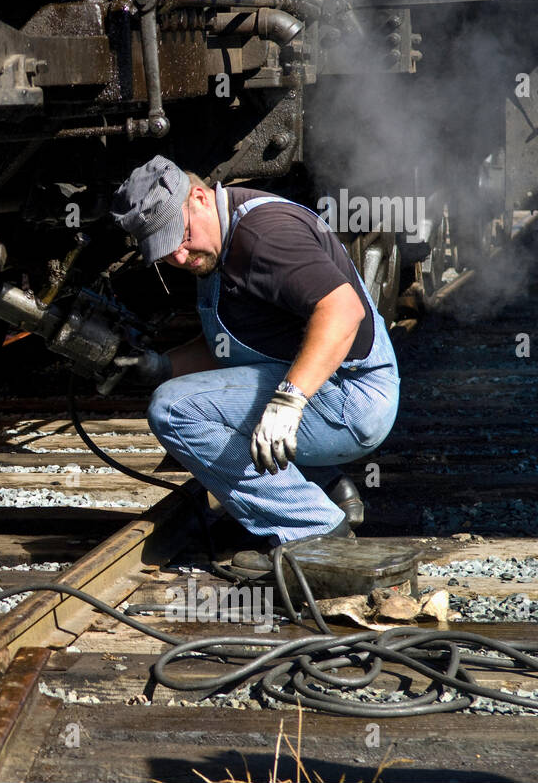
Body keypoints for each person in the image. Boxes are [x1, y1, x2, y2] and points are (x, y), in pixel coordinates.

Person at [109, 155, 400, 562]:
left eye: (181, 234)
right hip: (338, 385)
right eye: (164, 248)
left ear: (198, 197)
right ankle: (328, 486)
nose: (177, 255)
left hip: (354, 396)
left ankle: (312, 529)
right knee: (181, 389)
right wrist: (160, 365)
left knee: (174, 410)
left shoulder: (266, 237)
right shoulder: (220, 235)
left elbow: (342, 311)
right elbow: (226, 345)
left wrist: (288, 401)